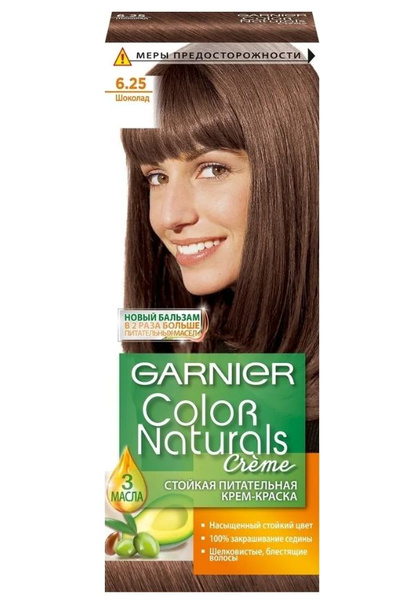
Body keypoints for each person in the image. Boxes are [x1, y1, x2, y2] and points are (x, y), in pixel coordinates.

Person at [121, 51, 319, 445]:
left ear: (293, 170)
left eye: (212, 169)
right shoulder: (206, 368)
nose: (169, 216)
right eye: (157, 177)